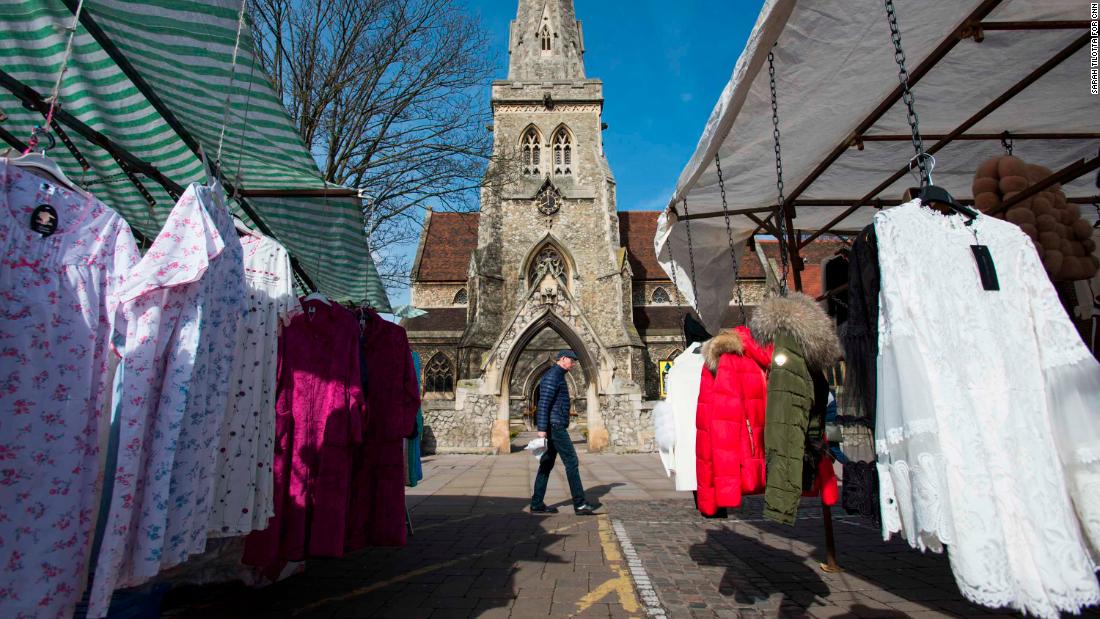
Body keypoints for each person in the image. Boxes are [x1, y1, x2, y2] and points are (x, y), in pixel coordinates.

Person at [530, 350, 598, 515]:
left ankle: (537, 503)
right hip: (555, 427)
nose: (574, 364)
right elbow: (544, 403)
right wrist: (541, 430)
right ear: (563, 359)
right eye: (572, 361)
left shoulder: (557, 375)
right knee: (572, 462)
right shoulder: (553, 376)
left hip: (554, 425)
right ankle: (580, 504)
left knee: (546, 464)